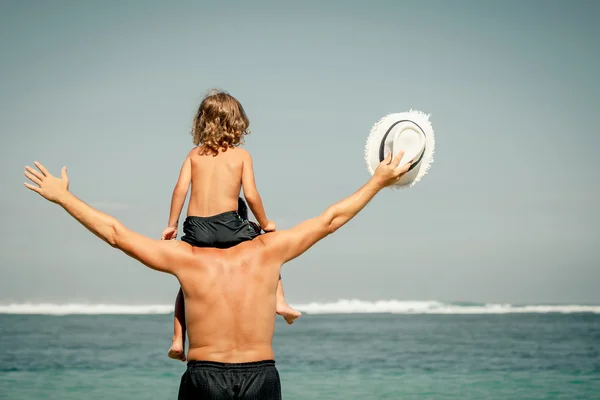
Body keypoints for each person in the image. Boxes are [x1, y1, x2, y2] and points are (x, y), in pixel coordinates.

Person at [23, 150, 413, 400]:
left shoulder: (187, 259)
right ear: (242, 218)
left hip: (204, 377)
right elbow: (331, 219)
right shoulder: (268, 250)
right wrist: (377, 182)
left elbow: (115, 235)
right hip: (261, 377)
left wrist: (64, 198)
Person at [160, 90, 300, 361]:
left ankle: (178, 341)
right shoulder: (241, 157)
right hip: (228, 224)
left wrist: (171, 225)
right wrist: (265, 223)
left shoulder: (194, 154)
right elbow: (250, 195)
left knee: (187, 281)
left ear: (202, 122)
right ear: (237, 123)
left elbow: (180, 189)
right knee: (267, 251)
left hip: (196, 226)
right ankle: (280, 302)